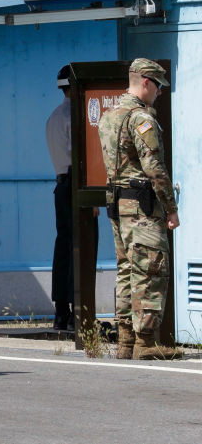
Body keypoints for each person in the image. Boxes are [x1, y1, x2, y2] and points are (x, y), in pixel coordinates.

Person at [98, 58, 182, 360]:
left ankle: (126, 341)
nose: (159, 92)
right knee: (150, 269)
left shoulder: (109, 116)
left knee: (126, 271)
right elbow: (153, 166)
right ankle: (146, 341)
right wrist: (170, 208)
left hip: (118, 204)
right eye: (158, 85)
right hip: (142, 207)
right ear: (145, 82)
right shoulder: (140, 118)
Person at [45, 65, 76, 330]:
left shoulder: (54, 116)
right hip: (74, 184)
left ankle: (61, 310)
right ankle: (76, 308)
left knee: (62, 246)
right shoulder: (74, 116)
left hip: (60, 183)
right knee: (79, 247)